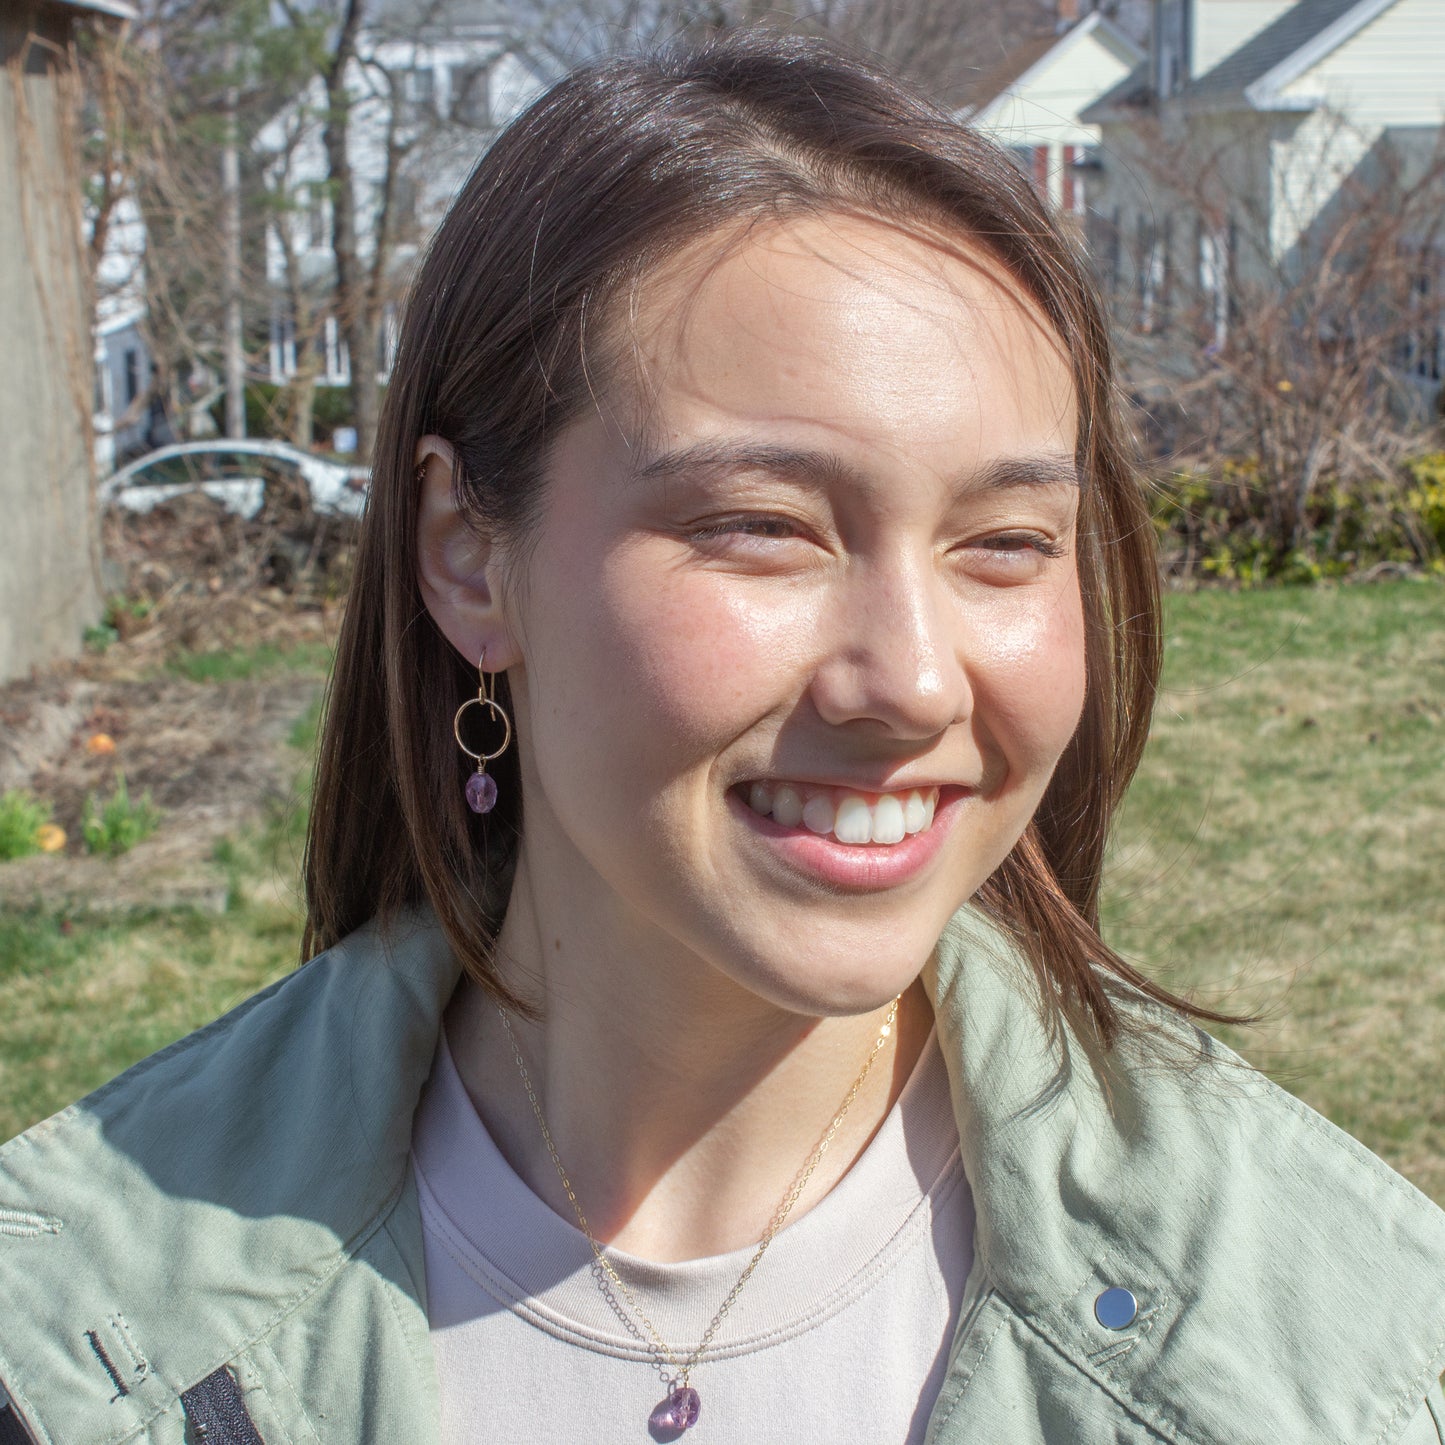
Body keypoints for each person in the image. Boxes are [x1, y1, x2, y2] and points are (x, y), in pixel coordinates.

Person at [2, 32, 1443, 1445]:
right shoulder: (72, 1333)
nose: (916, 683)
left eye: (1004, 541)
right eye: (761, 527)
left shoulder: (1350, 1363)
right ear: (463, 553)